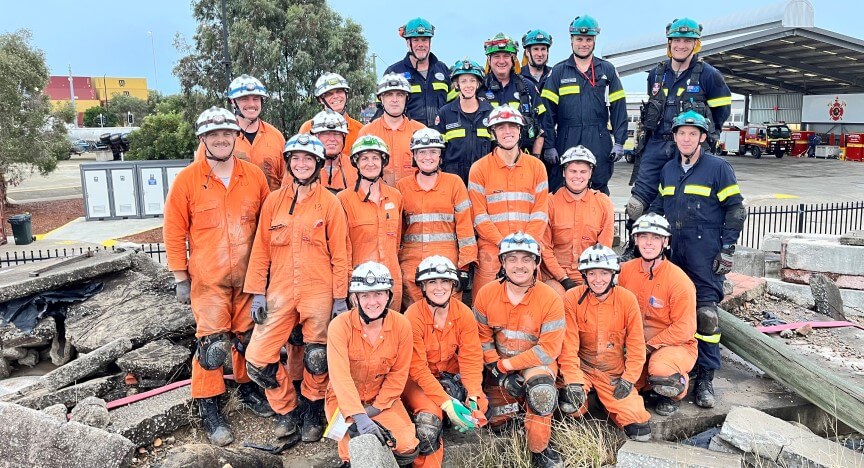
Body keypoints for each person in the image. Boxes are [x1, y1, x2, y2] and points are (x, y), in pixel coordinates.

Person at [163, 107, 272, 446]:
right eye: (213, 134)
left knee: (246, 338)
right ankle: (209, 407)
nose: (221, 139)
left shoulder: (254, 177)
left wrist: (267, 276)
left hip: (248, 277)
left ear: (236, 136)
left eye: (227, 133)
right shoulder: (187, 181)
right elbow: (173, 231)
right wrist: (181, 277)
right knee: (211, 347)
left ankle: (246, 389)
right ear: (203, 139)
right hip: (208, 280)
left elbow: (268, 228)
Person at [243, 134, 350, 443]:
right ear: (289, 163)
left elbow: (341, 253)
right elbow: (261, 248)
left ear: (318, 164)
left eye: (308, 159)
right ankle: (287, 409)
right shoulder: (274, 201)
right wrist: (257, 291)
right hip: (279, 290)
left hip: (320, 289)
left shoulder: (329, 203)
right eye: (296, 159)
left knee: (317, 357)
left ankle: (312, 410)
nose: (301, 164)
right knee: (258, 359)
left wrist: (340, 298)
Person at [649, 110, 746, 408]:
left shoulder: (718, 168)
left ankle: (705, 377)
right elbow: (659, 207)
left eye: (692, 133)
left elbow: (736, 210)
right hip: (675, 255)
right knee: (674, 315)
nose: (686, 138)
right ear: (675, 137)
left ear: (703, 137)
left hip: (705, 256)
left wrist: (727, 250)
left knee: (706, 316)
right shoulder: (668, 170)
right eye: (681, 133)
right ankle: (679, 368)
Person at [623, 17, 732, 259]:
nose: (681, 45)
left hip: (686, 147)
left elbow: (721, 112)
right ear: (669, 43)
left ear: (696, 44)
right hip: (655, 145)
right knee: (637, 204)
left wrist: (701, 139)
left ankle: (681, 253)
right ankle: (635, 247)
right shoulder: (656, 74)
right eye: (677, 40)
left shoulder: (709, 75)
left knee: (684, 202)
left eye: (687, 41)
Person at [474, 232, 565, 468]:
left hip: (536, 363)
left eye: (526, 259)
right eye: (512, 259)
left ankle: (539, 450)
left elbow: (548, 350)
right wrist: (498, 369)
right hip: (499, 366)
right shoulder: (486, 294)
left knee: (541, 393)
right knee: (496, 420)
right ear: (502, 263)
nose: (519, 266)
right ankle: (518, 416)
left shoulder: (550, 298)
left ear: (536, 263)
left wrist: (508, 366)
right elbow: (482, 339)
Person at [326, 261, 420, 467]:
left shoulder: (401, 325)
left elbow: (398, 374)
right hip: (344, 401)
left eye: (378, 294)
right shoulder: (339, 327)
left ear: (388, 296)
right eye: (365, 295)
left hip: (382, 399)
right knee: (355, 451)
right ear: (355, 298)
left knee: (406, 445)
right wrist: (358, 416)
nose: (372, 301)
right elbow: (340, 377)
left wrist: (374, 410)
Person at [557, 244, 652, 442]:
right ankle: (586, 397)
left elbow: (636, 346)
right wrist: (573, 380)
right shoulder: (571, 299)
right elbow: (568, 346)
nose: (598, 280)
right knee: (570, 406)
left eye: (604, 273)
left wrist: (628, 379)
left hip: (613, 374)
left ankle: (605, 400)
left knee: (640, 429)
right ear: (584, 275)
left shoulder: (627, 300)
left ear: (613, 274)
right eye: (592, 273)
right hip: (582, 369)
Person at [402, 255, 486, 466]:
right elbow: (418, 370)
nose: (439, 287)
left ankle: (451, 415)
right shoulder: (413, 316)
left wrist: (473, 395)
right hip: (417, 380)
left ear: (453, 285)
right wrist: (447, 403)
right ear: (423, 286)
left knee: (480, 406)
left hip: (449, 375)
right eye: (432, 282)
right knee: (429, 424)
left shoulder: (464, 314)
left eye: (444, 281)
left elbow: (471, 358)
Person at [618, 213, 697, 416]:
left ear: (666, 242)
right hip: (637, 346)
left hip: (673, 346)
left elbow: (684, 328)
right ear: (635, 240)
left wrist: (649, 346)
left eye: (655, 238)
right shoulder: (625, 271)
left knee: (661, 371)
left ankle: (673, 390)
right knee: (616, 383)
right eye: (643, 236)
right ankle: (646, 384)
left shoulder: (679, 280)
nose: (649, 243)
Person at [467, 105, 549, 301]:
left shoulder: (536, 167)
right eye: (501, 127)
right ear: (492, 133)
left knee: (529, 308)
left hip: (528, 249)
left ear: (520, 130)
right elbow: (479, 216)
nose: (507, 132)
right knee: (485, 308)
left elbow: (540, 213)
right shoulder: (479, 169)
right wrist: (505, 244)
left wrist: (523, 245)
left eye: (512, 126)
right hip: (491, 252)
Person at [541, 16, 627, 195]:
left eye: (589, 39)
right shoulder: (558, 72)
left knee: (598, 189)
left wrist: (619, 141)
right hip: (566, 138)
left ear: (594, 40)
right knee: (564, 190)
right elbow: (547, 113)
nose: (584, 43)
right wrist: (549, 144)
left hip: (599, 139)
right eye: (579, 39)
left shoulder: (607, 71)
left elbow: (619, 108)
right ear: (571, 40)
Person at [396, 129, 476, 307]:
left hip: (447, 268)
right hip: (411, 269)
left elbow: (465, 230)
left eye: (433, 151)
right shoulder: (402, 187)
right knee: (416, 321)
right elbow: (396, 231)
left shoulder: (454, 183)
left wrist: (464, 268)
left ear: (441, 155)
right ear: (414, 156)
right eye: (422, 152)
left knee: (448, 320)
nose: (427, 157)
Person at [338, 135, 405, 311]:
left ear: (383, 162)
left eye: (375, 158)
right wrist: (347, 282)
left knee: (391, 330)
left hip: (392, 280)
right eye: (364, 158)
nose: (370, 163)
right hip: (360, 282)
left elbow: (397, 240)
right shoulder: (344, 199)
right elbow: (341, 247)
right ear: (356, 163)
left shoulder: (395, 196)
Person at [541, 145, 614, 296]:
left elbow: (604, 248)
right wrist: (564, 279)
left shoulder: (603, 203)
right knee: (555, 298)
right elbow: (545, 249)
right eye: (573, 171)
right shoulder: (549, 202)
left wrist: (591, 279)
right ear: (563, 172)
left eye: (583, 172)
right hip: (555, 276)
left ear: (590, 173)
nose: (577, 176)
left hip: (590, 274)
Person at [194, 74, 286, 192]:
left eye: (256, 99)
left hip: (270, 207)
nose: (251, 104)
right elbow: (199, 177)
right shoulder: (216, 140)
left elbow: (286, 180)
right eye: (244, 99)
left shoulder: (276, 136)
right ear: (233, 101)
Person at [482, 33, 554, 159]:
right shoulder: (480, 88)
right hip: (489, 162)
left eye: (506, 56)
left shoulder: (527, 87)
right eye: (496, 56)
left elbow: (541, 128)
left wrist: (535, 158)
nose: (501, 61)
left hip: (522, 160)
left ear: (513, 59)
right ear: (489, 60)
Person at [433, 58, 494, 185]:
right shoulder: (445, 113)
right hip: (452, 179)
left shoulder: (490, 112)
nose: (468, 85)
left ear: (478, 84)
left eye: (472, 80)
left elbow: (496, 148)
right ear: (456, 84)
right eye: (464, 81)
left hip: (484, 177)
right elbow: (437, 150)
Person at [359, 73, 427, 186]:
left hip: (414, 199)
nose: (394, 100)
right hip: (380, 200)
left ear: (407, 98)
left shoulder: (421, 131)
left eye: (400, 95)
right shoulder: (367, 133)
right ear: (381, 98)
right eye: (389, 95)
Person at [384, 17, 451, 127]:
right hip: (407, 138)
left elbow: (454, 105)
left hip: (439, 138)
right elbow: (382, 109)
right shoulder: (393, 73)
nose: (421, 44)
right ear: (407, 43)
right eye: (416, 40)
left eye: (424, 39)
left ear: (430, 42)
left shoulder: (443, 70)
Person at [299, 72, 363, 152]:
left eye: (339, 91)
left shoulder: (360, 130)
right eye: (329, 94)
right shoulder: (308, 128)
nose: (336, 96)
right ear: (321, 99)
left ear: (346, 94)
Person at [309, 109, 357, 194]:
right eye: (325, 133)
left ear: (344, 138)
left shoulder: (356, 167)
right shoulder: (302, 167)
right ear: (315, 137)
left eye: (337, 134)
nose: (332, 139)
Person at [520, 29, 553, 94]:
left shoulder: (554, 74)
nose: (540, 54)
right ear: (527, 52)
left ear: (547, 52)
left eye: (543, 49)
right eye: (536, 49)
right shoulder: (517, 76)